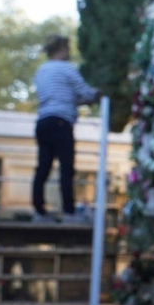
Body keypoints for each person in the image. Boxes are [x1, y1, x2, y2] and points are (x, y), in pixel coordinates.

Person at [32, 35, 99, 221]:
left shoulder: (41, 71)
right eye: (68, 48)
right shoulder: (67, 69)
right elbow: (85, 93)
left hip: (43, 122)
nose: (70, 53)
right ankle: (69, 212)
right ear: (62, 49)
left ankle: (39, 212)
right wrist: (97, 94)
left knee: (43, 168)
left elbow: (58, 96)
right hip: (61, 123)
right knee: (66, 168)